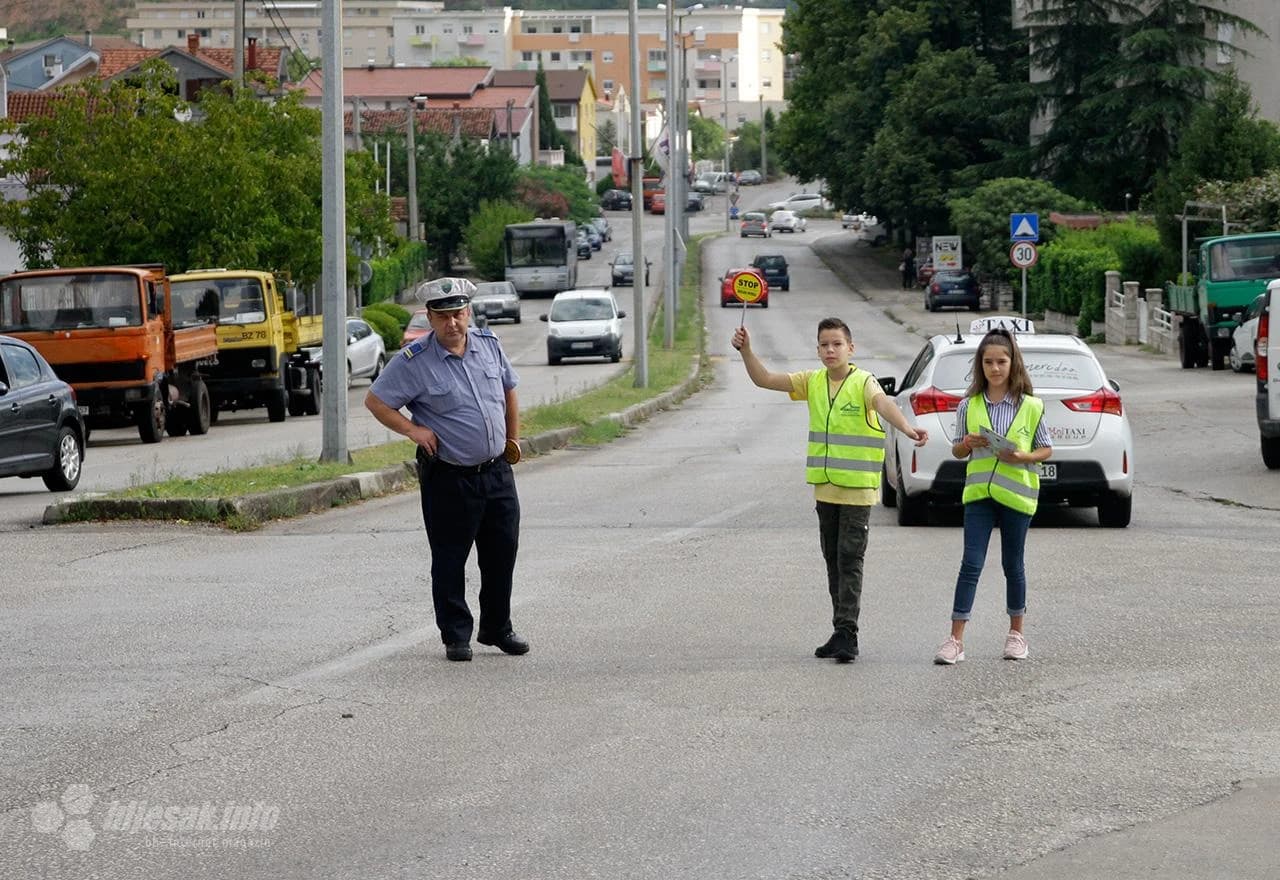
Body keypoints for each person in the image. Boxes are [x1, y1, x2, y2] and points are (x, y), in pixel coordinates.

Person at [731, 319, 928, 663]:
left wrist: (908, 429)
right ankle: (840, 629)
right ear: (818, 349)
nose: (830, 350)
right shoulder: (813, 381)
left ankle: (848, 635)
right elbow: (764, 379)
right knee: (833, 561)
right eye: (824, 345)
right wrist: (746, 350)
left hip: (856, 492)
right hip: (826, 491)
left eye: (837, 344)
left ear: (851, 348)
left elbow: (883, 404)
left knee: (850, 560)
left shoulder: (863, 382)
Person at [365, 281, 526, 663]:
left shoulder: (489, 345)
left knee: (502, 553)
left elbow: (509, 391)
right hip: (450, 477)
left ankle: (497, 627)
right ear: (430, 318)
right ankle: (456, 635)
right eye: (443, 316)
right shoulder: (414, 361)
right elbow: (376, 401)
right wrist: (413, 430)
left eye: (458, 313)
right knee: (451, 558)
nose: (452, 323)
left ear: (468, 312)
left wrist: (513, 441)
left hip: (496, 472)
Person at [934, 328, 1052, 666]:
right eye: (988, 362)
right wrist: (967, 444)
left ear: (1013, 363)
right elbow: (957, 451)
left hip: (1017, 497)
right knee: (970, 564)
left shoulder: (1031, 406)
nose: (995, 368)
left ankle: (1016, 635)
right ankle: (955, 640)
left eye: (1001, 361)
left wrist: (1023, 458)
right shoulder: (968, 405)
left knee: (1012, 565)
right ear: (980, 365)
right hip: (978, 496)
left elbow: (1045, 449)